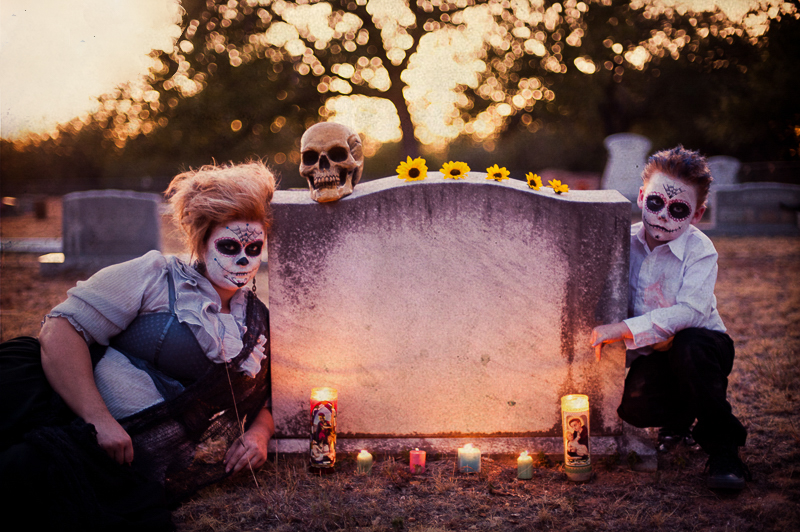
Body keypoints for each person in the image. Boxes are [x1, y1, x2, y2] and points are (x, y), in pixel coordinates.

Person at [0, 161, 277, 529]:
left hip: (124, 463)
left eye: (254, 247)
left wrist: (260, 431)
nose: (243, 258)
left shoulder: (255, 320)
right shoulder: (155, 275)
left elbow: (273, 389)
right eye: (228, 245)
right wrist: (99, 420)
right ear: (202, 240)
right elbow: (60, 330)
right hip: (51, 402)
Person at [590, 146, 749, 490]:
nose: (663, 215)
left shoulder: (700, 249)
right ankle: (679, 419)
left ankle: (724, 449)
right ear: (642, 195)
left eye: (678, 209)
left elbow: (691, 311)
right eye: (656, 203)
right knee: (633, 408)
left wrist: (625, 329)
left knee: (689, 347)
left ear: (696, 214)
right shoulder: (623, 241)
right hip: (655, 353)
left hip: (704, 346)